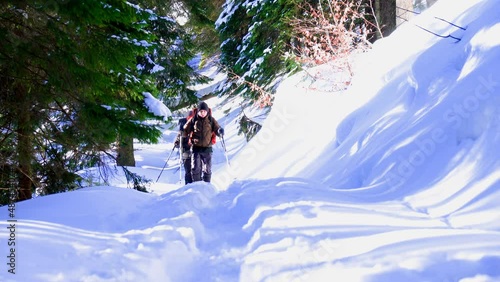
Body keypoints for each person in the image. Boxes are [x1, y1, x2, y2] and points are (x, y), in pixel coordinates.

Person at [183, 101, 224, 183]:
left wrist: (219, 131)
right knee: (196, 167)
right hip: (196, 148)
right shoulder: (193, 120)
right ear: (198, 111)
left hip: (207, 148)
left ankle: (207, 184)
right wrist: (182, 133)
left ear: (207, 111)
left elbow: (216, 128)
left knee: (207, 168)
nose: (203, 113)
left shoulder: (211, 120)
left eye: (204, 111)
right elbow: (186, 129)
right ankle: (197, 184)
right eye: (201, 111)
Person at [174, 111, 193, 184]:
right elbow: (179, 136)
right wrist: (177, 142)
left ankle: (195, 185)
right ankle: (188, 185)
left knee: (195, 169)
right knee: (188, 169)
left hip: (195, 150)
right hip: (186, 149)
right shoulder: (183, 125)